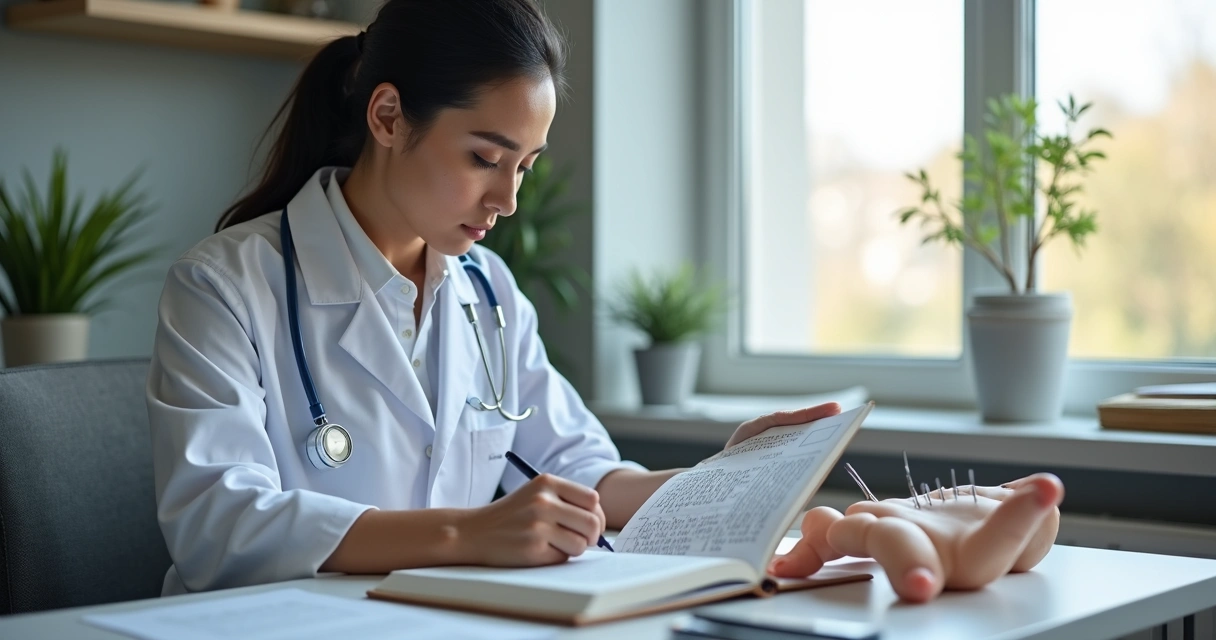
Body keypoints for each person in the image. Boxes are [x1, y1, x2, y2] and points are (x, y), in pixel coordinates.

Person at [146, 0, 1063, 603]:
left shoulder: (487, 295)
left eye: (525, 166)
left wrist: (726, 480)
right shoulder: (227, 285)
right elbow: (220, 519)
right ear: (388, 117)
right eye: (484, 156)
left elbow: (588, 473)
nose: (507, 200)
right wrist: (471, 533)